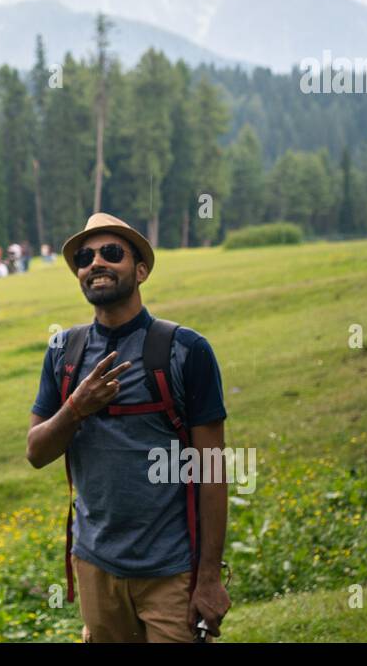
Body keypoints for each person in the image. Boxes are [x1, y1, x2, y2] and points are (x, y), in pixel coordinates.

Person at [26, 212, 231, 643]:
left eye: (111, 252)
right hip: (95, 566)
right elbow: (37, 452)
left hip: (172, 571)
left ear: (140, 271)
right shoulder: (63, 350)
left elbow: (212, 472)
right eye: (85, 257)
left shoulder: (185, 350)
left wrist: (209, 578)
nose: (95, 263)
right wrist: (76, 407)